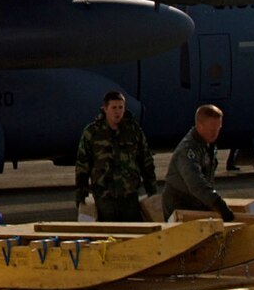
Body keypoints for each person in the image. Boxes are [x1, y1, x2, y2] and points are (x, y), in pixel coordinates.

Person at [74, 90, 158, 221]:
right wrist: (81, 195)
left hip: (129, 196)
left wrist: (151, 190)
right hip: (104, 197)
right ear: (105, 109)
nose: (117, 111)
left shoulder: (133, 131)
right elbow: (82, 166)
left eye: (121, 107)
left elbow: (146, 161)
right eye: (114, 107)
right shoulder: (92, 133)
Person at [161, 104, 235, 221]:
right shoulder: (188, 150)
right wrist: (218, 204)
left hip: (197, 202)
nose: (215, 133)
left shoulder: (207, 144)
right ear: (199, 126)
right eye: (212, 130)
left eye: (218, 129)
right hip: (180, 206)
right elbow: (196, 182)